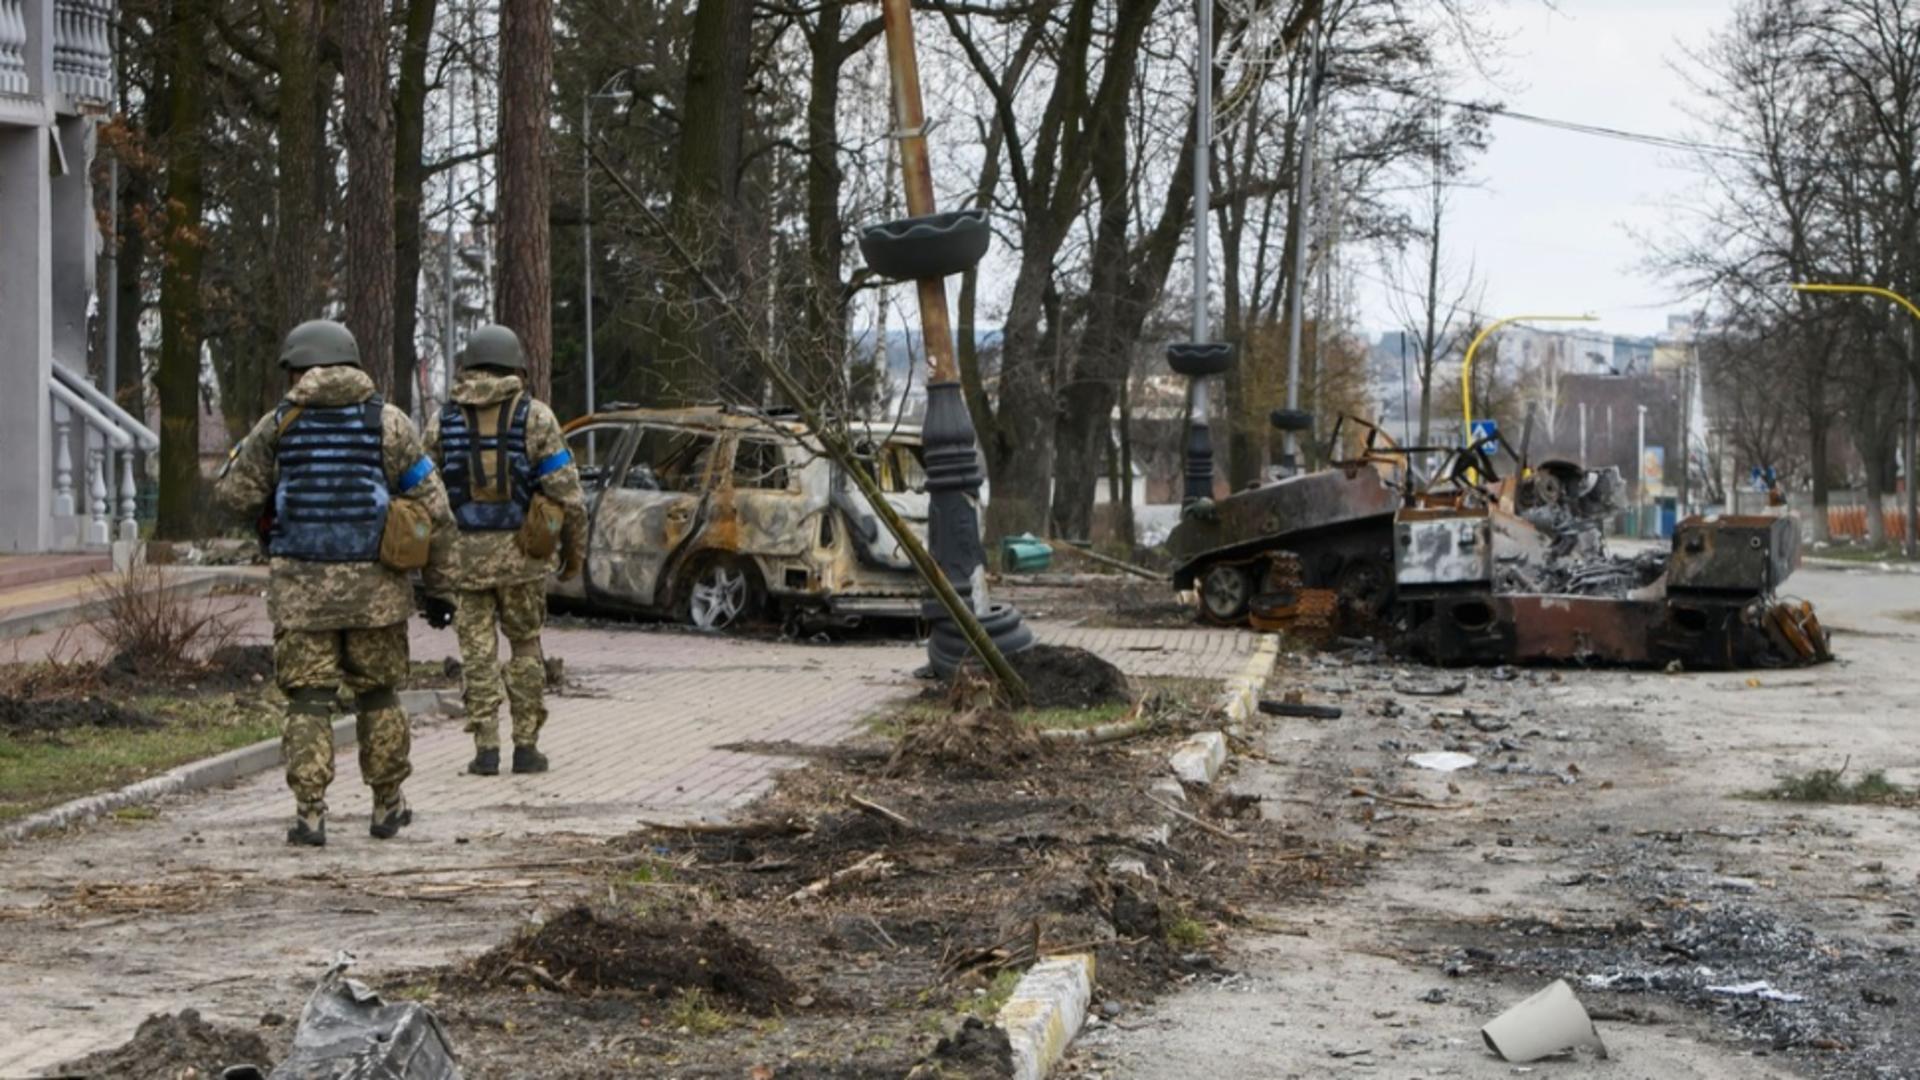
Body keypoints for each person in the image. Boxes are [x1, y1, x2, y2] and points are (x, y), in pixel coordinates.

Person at [214, 319, 451, 846]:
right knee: (380, 697)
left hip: (301, 592)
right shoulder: (388, 423)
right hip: (378, 592)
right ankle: (388, 806)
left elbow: (232, 495)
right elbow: (435, 509)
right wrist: (439, 588)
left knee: (308, 702)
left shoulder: (279, 424)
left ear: (298, 369)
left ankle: (310, 815)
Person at [422, 324, 586, 777]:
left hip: (464, 560)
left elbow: (423, 496)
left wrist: (429, 569)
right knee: (526, 647)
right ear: (516, 366)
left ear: (469, 366)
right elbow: (568, 495)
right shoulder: (536, 417)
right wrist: (575, 556)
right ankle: (527, 747)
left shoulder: (443, 421)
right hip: (523, 558)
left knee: (477, 654)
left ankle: (486, 749)